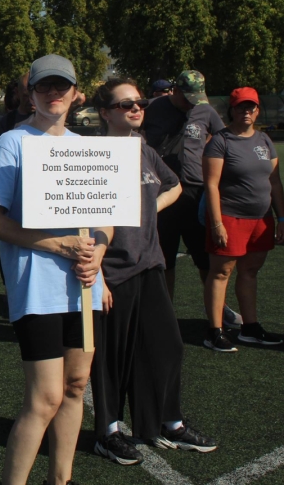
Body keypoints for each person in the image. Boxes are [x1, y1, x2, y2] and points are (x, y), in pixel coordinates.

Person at [0, 54, 110, 485]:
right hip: (37, 287)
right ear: (30, 92)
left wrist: (98, 257)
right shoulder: (13, 142)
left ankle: (61, 479)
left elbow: (106, 217)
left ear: (76, 93)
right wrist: (58, 244)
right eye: (45, 86)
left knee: (75, 386)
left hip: (84, 285)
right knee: (45, 397)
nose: (54, 93)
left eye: (62, 86)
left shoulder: (88, 146)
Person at [89, 78, 217, 466]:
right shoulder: (91, 154)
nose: (136, 108)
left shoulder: (143, 149)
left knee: (167, 346)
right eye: (125, 104)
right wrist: (96, 276)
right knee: (111, 358)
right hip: (112, 270)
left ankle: (167, 421)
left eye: (140, 102)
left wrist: (146, 211)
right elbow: (76, 219)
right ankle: (108, 432)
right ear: (105, 112)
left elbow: (174, 185)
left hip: (150, 263)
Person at [202, 87, 284, 352]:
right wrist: (217, 223)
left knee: (250, 271)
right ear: (232, 110)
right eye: (241, 107)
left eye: (251, 107)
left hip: (261, 219)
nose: (246, 111)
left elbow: (274, 181)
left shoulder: (264, 140)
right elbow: (211, 185)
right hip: (229, 217)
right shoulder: (220, 140)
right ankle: (214, 331)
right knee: (221, 273)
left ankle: (250, 328)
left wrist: (281, 218)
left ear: (257, 110)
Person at [140, 70, 226, 303]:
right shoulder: (153, 107)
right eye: (187, 98)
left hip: (195, 194)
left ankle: (218, 311)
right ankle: (167, 313)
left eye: (195, 99)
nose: (191, 105)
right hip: (162, 193)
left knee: (204, 257)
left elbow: (224, 140)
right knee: (165, 259)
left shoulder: (205, 110)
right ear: (175, 90)